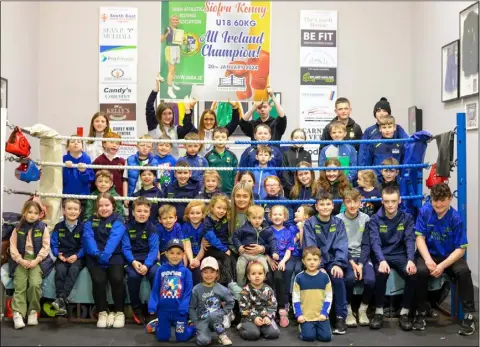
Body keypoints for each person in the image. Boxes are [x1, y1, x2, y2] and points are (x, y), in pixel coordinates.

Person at [413, 183, 476, 335]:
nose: (439, 204)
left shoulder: (455, 218)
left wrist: (441, 266)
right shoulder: (425, 211)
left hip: (449, 256)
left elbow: (461, 249)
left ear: (449, 199)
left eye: (443, 200)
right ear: (431, 199)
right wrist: (428, 260)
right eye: (435, 200)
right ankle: (420, 311)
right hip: (429, 253)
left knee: (464, 272)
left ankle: (469, 315)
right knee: (420, 271)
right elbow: (419, 238)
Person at [367, 186, 416, 331]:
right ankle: (378, 312)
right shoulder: (375, 219)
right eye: (387, 201)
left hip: (400, 255)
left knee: (412, 274)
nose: (390, 205)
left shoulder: (406, 218)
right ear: (382, 201)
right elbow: (374, 242)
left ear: (399, 201)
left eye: (393, 201)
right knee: (381, 274)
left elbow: (409, 240)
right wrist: (381, 260)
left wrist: (411, 259)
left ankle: (404, 313)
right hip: (382, 255)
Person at [303, 190, 349, 335]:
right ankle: (314, 317)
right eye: (321, 204)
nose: (324, 207)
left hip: (333, 261)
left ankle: (341, 317)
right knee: (316, 278)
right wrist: (319, 267)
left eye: (328, 204)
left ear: (332, 206)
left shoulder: (339, 223)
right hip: (315, 262)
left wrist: (338, 264)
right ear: (316, 207)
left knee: (338, 278)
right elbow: (310, 247)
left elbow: (342, 245)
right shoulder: (309, 223)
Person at [9, 200, 54, 329]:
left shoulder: (42, 227)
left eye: (36, 213)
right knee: (20, 285)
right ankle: (18, 313)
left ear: (40, 214)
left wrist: (36, 260)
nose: (32, 215)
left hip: (37, 260)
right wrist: (20, 260)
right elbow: (13, 247)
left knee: (35, 284)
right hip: (21, 259)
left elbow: (46, 247)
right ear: (24, 212)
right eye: (30, 212)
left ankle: (33, 311)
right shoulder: (17, 228)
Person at [83, 192, 126, 329]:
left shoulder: (119, 220)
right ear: (96, 207)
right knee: (98, 280)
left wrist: (105, 255)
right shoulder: (89, 221)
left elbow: (114, 238)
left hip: (114, 255)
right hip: (95, 257)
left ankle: (119, 312)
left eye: (107, 205)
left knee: (117, 278)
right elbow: (88, 238)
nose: (104, 208)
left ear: (113, 206)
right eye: (100, 205)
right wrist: (97, 254)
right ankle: (102, 312)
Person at [336, 189, 374, 327]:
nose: (352, 205)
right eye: (348, 202)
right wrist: (353, 263)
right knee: (349, 278)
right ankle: (348, 310)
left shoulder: (366, 219)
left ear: (360, 202)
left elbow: (366, 244)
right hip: (346, 257)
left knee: (370, 280)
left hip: (362, 258)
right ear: (344, 203)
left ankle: (363, 309)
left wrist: (361, 264)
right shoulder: (338, 219)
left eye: (355, 201)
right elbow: (341, 244)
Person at [147, 239, 195, 342]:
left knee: (182, 338)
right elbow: (155, 288)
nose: (175, 256)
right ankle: (157, 326)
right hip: (163, 310)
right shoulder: (161, 270)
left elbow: (188, 292)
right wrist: (152, 303)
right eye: (172, 253)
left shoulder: (186, 272)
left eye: (178, 253)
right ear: (166, 254)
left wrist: (184, 306)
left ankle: (192, 327)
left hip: (179, 311)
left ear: (183, 254)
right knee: (163, 337)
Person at [122, 197, 159, 325]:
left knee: (156, 273)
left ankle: (152, 308)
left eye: (145, 211)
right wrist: (133, 262)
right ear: (133, 212)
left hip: (149, 260)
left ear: (149, 213)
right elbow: (126, 248)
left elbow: (154, 250)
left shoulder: (152, 228)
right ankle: (136, 308)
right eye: (139, 211)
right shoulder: (127, 227)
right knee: (133, 276)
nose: (142, 214)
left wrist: (147, 265)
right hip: (132, 260)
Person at [146, 74, 197, 157]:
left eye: (170, 113)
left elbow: (188, 127)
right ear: (159, 115)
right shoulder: (154, 126)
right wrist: (156, 89)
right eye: (164, 114)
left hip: (173, 167)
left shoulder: (176, 129)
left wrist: (188, 109)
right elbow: (149, 107)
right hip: (156, 166)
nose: (168, 116)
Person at [189, 257, 234, 346]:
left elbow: (231, 302)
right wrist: (195, 322)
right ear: (201, 273)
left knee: (214, 315)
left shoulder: (221, 289)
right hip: (202, 320)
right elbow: (191, 307)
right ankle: (203, 332)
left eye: (212, 272)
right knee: (203, 342)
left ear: (217, 273)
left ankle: (222, 334)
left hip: (216, 319)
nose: (209, 275)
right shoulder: (196, 289)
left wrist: (223, 312)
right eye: (205, 272)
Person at [50, 198, 85, 316]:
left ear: (80, 211)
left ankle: (61, 299)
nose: (72, 212)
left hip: (78, 257)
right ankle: (61, 301)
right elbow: (54, 243)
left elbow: (85, 246)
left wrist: (77, 255)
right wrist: (57, 254)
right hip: (63, 256)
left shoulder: (83, 227)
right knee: (60, 270)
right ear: (63, 211)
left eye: (75, 209)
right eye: (69, 209)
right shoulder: (58, 226)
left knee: (74, 269)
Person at [292, 246, 333, 342]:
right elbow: (295, 298)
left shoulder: (325, 277)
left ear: (320, 261)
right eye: (309, 259)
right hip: (306, 317)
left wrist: (324, 313)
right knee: (309, 337)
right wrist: (299, 314)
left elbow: (329, 298)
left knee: (326, 338)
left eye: (315, 259)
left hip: (321, 316)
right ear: (303, 261)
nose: (312, 262)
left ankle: (319, 328)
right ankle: (304, 328)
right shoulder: (299, 278)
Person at [233, 205, 278, 287]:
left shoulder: (266, 230)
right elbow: (235, 237)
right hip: (245, 254)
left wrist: (275, 252)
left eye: (260, 218)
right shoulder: (244, 228)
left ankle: (262, 287)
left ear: (263, 218)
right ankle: (241, 287)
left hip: (259, 255)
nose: (257, 221)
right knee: (240, 270)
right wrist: (239, 247)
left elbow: (273, 241)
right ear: (249, 218)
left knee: (266, 269)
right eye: (254, 218)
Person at [358, 97, 408, 166]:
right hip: (376, 172)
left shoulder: (398, 129)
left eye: (384, 110)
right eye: (378, 111)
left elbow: (407, 145)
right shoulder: (369, 131)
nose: (381, 113)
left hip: (394, 172)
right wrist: (362, 170)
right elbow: (363, 153)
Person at [266, 205, 294, 327]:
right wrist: (269, 260)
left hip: (282, 261)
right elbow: (263, 249)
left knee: (278, 277)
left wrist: (283, 261)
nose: (277, 217)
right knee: (269, 279)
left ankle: (282, 309)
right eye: (274, 214)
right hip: (269, 260)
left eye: (280, 214)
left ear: (285, 217)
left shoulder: (288, 232)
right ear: (270, 216)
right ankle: (270, 310)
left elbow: (289, 249)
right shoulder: (266, 231)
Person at [238, 261, 280, 341]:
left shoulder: (268, 290)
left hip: (264, 318)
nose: (257, 276)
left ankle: (261, 329)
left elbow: (273, 305)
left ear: (264, 276)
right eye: (253, 274)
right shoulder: (245, 290)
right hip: (249, 318)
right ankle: (242, 327)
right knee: (253, 334)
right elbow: (243, 309)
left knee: (274, 333)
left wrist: (268, 317)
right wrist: (254, 318)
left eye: (260, 273)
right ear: (249, 276)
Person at [201, 195, 236, 286]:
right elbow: (212, 239)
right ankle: (230, 282)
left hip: (224, 246)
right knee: (225, 257)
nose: (221, 211)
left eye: (224, 209)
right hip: (212, 248)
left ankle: (234, 282)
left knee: (233, 259)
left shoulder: (225, 219)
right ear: (212, 208)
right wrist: (224, 249)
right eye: (219, 208)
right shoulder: (208, 221)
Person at [360, 115, 404, 180]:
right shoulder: (374, 143)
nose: (387, 130)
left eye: (389, 127)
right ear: (380, 129)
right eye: (384, 127)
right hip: (377, 180)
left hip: (395, 181)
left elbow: (402, 163)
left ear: (394, 128)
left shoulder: (399, 144)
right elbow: (368, 163)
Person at [160, 160, 202, 225]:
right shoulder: (169, 188)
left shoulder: (195, 187)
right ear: (175, 174)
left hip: (190, 224)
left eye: (185, 173)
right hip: (173, 225)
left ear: (190, 173)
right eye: (179, 173)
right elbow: (164, 207)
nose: (182, 176)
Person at [123, 135, 159, 200]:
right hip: (133, 195)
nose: (145, 148)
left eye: (148, 146)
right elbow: (125, 180)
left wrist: (159, 196)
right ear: (137, 146)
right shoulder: (129, 160)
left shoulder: (155, 162)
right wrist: (125, 198)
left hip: (150, 196)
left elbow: (158, 181)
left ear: (151, 149)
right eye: (142, 145)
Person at [205, 127, 238, 195]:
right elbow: (205, 174)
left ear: (227, 139)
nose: (220, 139)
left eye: (223, 137)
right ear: (213, 139)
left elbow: (235, 175)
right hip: (212, 191)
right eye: (217, 137)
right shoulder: (208, 156)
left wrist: (234, 189)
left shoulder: (232, 156)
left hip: (229, 191)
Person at [63, 135, 95, 203]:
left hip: (83, 195)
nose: (76, 143)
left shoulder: (86, 158)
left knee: (83, 213)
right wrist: (66, 168)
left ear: (83, 147)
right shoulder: (64, 159)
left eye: (79, 141)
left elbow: (90, 179)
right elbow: (62, 179)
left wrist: (83, 172)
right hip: (67, 194)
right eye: (72, 141)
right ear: (67, 147)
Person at [92, 131, 125, 196]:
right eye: (111, 142)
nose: (114, 145)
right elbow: (93, 179)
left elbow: (124, 179)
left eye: (117, 143)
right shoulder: (98, 161)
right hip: (101, 195)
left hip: (118, 195)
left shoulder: (122, 161)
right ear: (104, 144)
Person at [281, 128, 312, 196]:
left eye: (301, 138)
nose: (299, 140)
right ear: (291, 139)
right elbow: (284, 172)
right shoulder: (286, 153)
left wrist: (304, 185)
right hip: (289, 188)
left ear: (305, 140)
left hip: (304, 187)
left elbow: (310, 172)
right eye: (296, 137)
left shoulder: (307, 154)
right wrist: (291, 187)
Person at [182, 200, 206, 285]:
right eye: (192, 213)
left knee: (198, 271)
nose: (195, 216)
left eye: (198, 213)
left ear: (203, 214)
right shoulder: (185, 227)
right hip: (189, 255)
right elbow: (187, 246)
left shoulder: (205, 226)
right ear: (188, 215)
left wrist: (197, 259)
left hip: (202, 254)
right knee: (187, 269)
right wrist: (192, 260)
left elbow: (204, 246)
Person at [161, 15, 183, 98]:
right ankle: (169, 90)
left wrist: (182, 40)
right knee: (171, 70)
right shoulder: (168, 28)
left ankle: (172, 84)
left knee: (174, 69)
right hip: (170, 49)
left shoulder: (178, 30)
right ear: (171, 21)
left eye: (176, 20)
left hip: (177, 48)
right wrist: (167, 33)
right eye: (173, 20)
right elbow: (161, 40)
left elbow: (179, 41)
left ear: (178, 21)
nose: (175, 21)